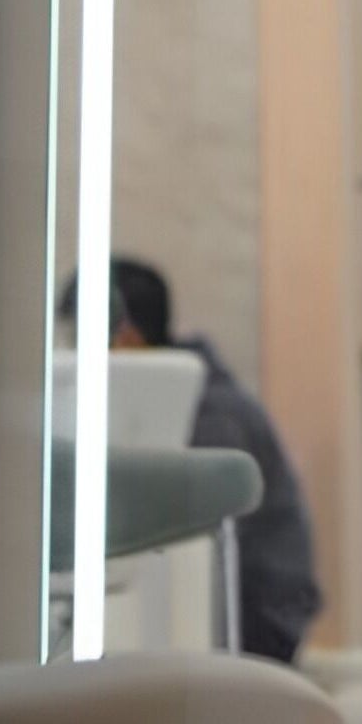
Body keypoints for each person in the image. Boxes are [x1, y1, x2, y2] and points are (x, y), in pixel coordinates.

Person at [60, 257, 321, 663]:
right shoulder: (169, 397)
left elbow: (201, 552)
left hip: (261, 615)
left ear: (125, 339)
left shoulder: (210, 413)